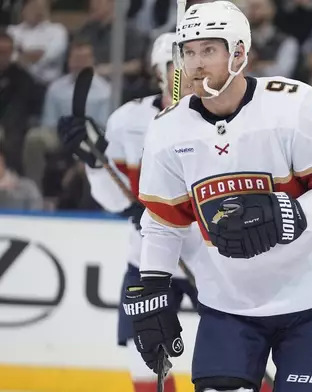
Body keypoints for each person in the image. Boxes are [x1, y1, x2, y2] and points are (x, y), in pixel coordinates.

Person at [122, 2, 312, 392]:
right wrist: (154, 286)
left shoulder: (297, 105)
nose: (196, 63)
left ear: (238, 53)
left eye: (208, 51)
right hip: (228, 303)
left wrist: (291, 214)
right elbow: (164, 221)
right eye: (188, 52)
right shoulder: (167, 130)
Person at [57, 33, 200, 392]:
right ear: (157, 70)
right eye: (175, 65)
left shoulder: (222, 120)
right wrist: (93, 162)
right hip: (148, 260)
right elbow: (114, 200)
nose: (185, 71)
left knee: (242, 352)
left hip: (214, 260)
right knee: (146, 360)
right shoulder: (129, 120)